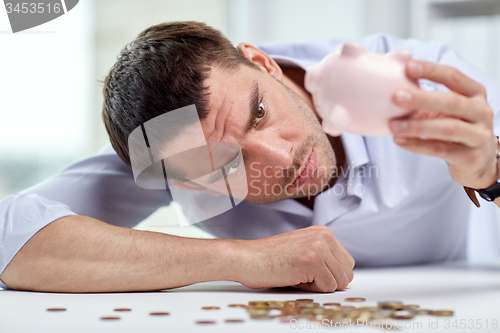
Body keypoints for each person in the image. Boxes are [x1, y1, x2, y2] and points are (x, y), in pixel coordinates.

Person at [1, 21, 499, 293]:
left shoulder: (416, 83)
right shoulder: (170, 158)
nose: (280, 158)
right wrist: (237, 259)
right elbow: (9, 234)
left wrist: (493, 173)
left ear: (261, 61)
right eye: (223, 167)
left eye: (258, 112)